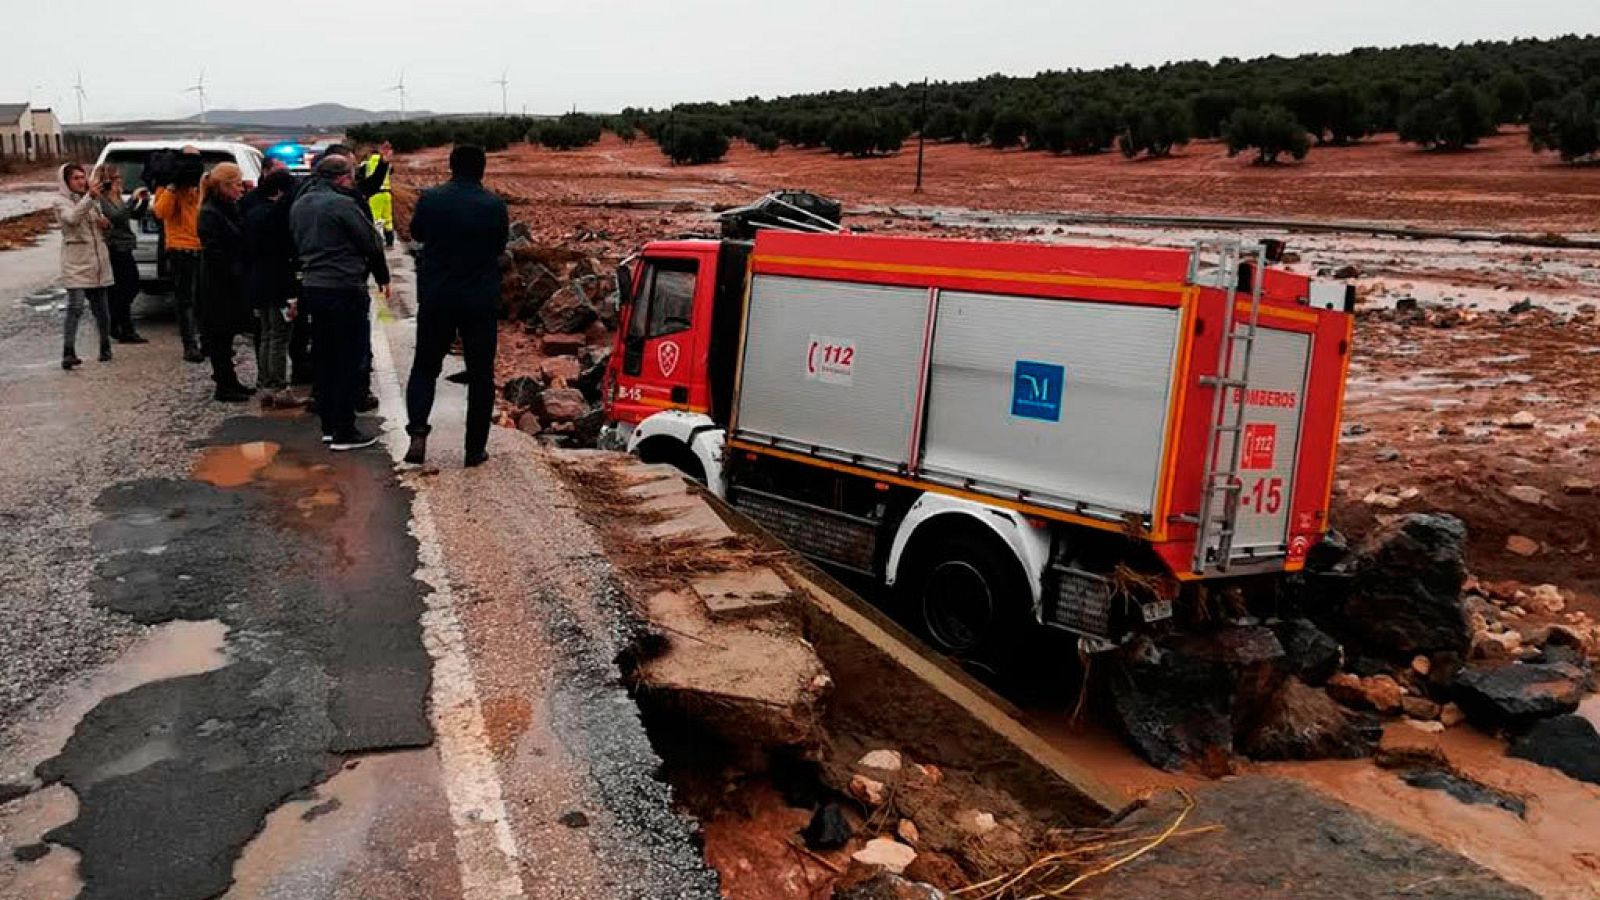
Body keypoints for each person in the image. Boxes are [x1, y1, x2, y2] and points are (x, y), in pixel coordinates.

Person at [403, 145, 509, 468]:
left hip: (437, 295)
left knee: (425, 366)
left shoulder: (431, 199)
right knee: (480, 374)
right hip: (479, 299)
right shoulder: (494, 205)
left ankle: (418, 431)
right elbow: (500, 246)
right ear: (482, 169)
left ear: (451, 167)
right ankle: (474, 449)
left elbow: (417, 233)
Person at [290, 154, 390, 450]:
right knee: (349, 357)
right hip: (344, 286)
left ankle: (328, 425)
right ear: (344, 177)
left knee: (324, 356)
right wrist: (382, 275)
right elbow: (370, 243)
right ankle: (345, 429)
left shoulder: (300, 204)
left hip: (313, 287)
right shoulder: (343, 204)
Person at [196, 162, 256, 402]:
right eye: (238, 184)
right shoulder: (210, 213)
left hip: (229, 281)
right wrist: (235, 269)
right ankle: (224, 384)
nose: (241, 189)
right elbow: (215, 251)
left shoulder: (228, 208)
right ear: (225, 185)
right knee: (219, 336)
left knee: (227, 334)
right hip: (217, 284)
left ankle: (230, 380)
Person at [241, 169, 300, 407]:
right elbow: (285, 254)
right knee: (279, 336)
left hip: (258, 281)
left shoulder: (253, 213)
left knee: (266, 334)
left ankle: (266, 383)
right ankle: (278, 386)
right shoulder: (278, 216)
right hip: (278, 282)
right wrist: (292, 292)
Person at [53, 163, 115, 369]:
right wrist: (90, 197)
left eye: (83, 177)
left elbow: (99, 225)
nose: (81, 181)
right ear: (66, 182)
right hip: (76, 262)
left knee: (102, 310)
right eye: (76, 178)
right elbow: (72, 219)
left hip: (97, 262)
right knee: (76, 307)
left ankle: (105, 346)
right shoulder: (61, 202)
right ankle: (68, 351)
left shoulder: (91, 200)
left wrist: (105, 225)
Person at [151, 147, 206, 362]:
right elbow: (161, 213)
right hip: (180, 249)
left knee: (204, 299)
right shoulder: (166, 188)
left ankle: (208, 342)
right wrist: (173, 187)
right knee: (186, 301)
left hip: (201, 247)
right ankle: (189, 345)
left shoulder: (201, 186)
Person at [92, 165, 150, 344]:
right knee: (125, 288)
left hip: (125, 246)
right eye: (116, 178)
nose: (120, 180)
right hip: (114, 247)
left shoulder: (116, 197)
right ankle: (120, 325)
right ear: (107, 181)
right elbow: (116, 217)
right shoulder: (101, 200)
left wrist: (143, 202)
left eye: (119, 177)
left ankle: (120, 325)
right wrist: (132, 199)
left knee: (127, 288)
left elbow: (132, 215)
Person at [360, 141, 395, 247]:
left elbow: (361, 176)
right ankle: (390, 242)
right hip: (387, 193)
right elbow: (391, 171)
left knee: (375, 219)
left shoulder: (366, 163)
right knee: (388, 219)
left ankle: (376, 242)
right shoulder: (387, 162)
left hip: (375, 194)